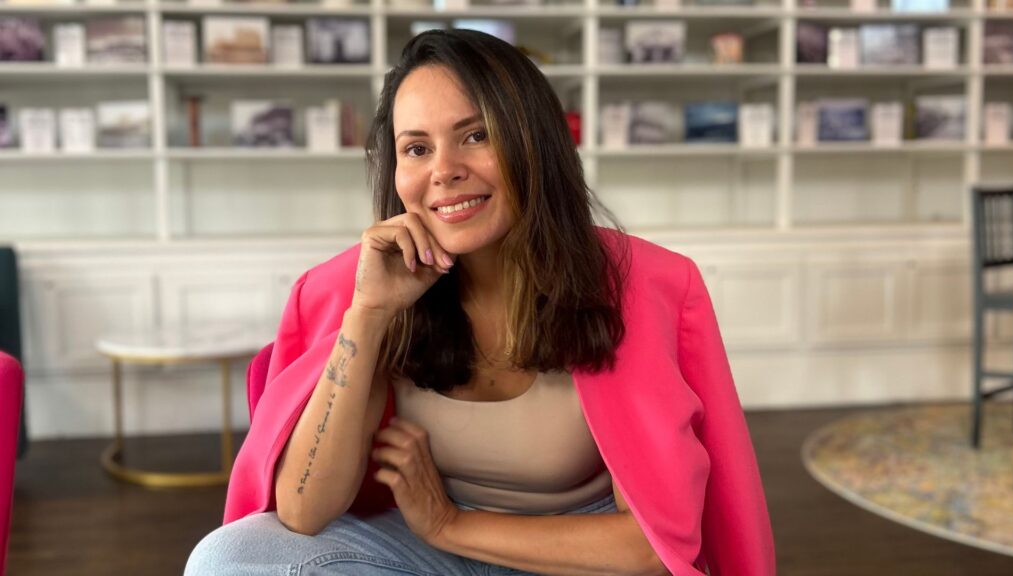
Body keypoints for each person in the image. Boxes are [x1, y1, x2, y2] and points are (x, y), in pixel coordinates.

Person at [185, 29, 775, 576]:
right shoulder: (362, 285)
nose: (444, 171)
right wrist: (368, 315)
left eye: (476, 135)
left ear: (534, 144)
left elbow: (653, 547)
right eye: (417, 149)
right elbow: (302, 512)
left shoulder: (639, 284)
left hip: (581, 545)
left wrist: (449, 524)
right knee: (231, 558)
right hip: (421, 546)